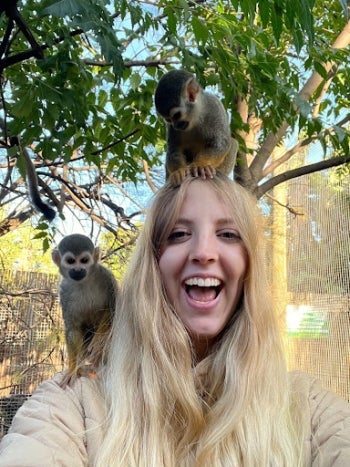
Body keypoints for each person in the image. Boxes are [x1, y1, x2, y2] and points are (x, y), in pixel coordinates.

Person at [0, 174, 350, 466]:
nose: (203, 252)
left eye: (228, 234)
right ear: (152, 267)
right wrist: (82, 366)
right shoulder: (76, 405)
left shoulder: (306, 408)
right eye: (179, 234)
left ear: (250, 268)